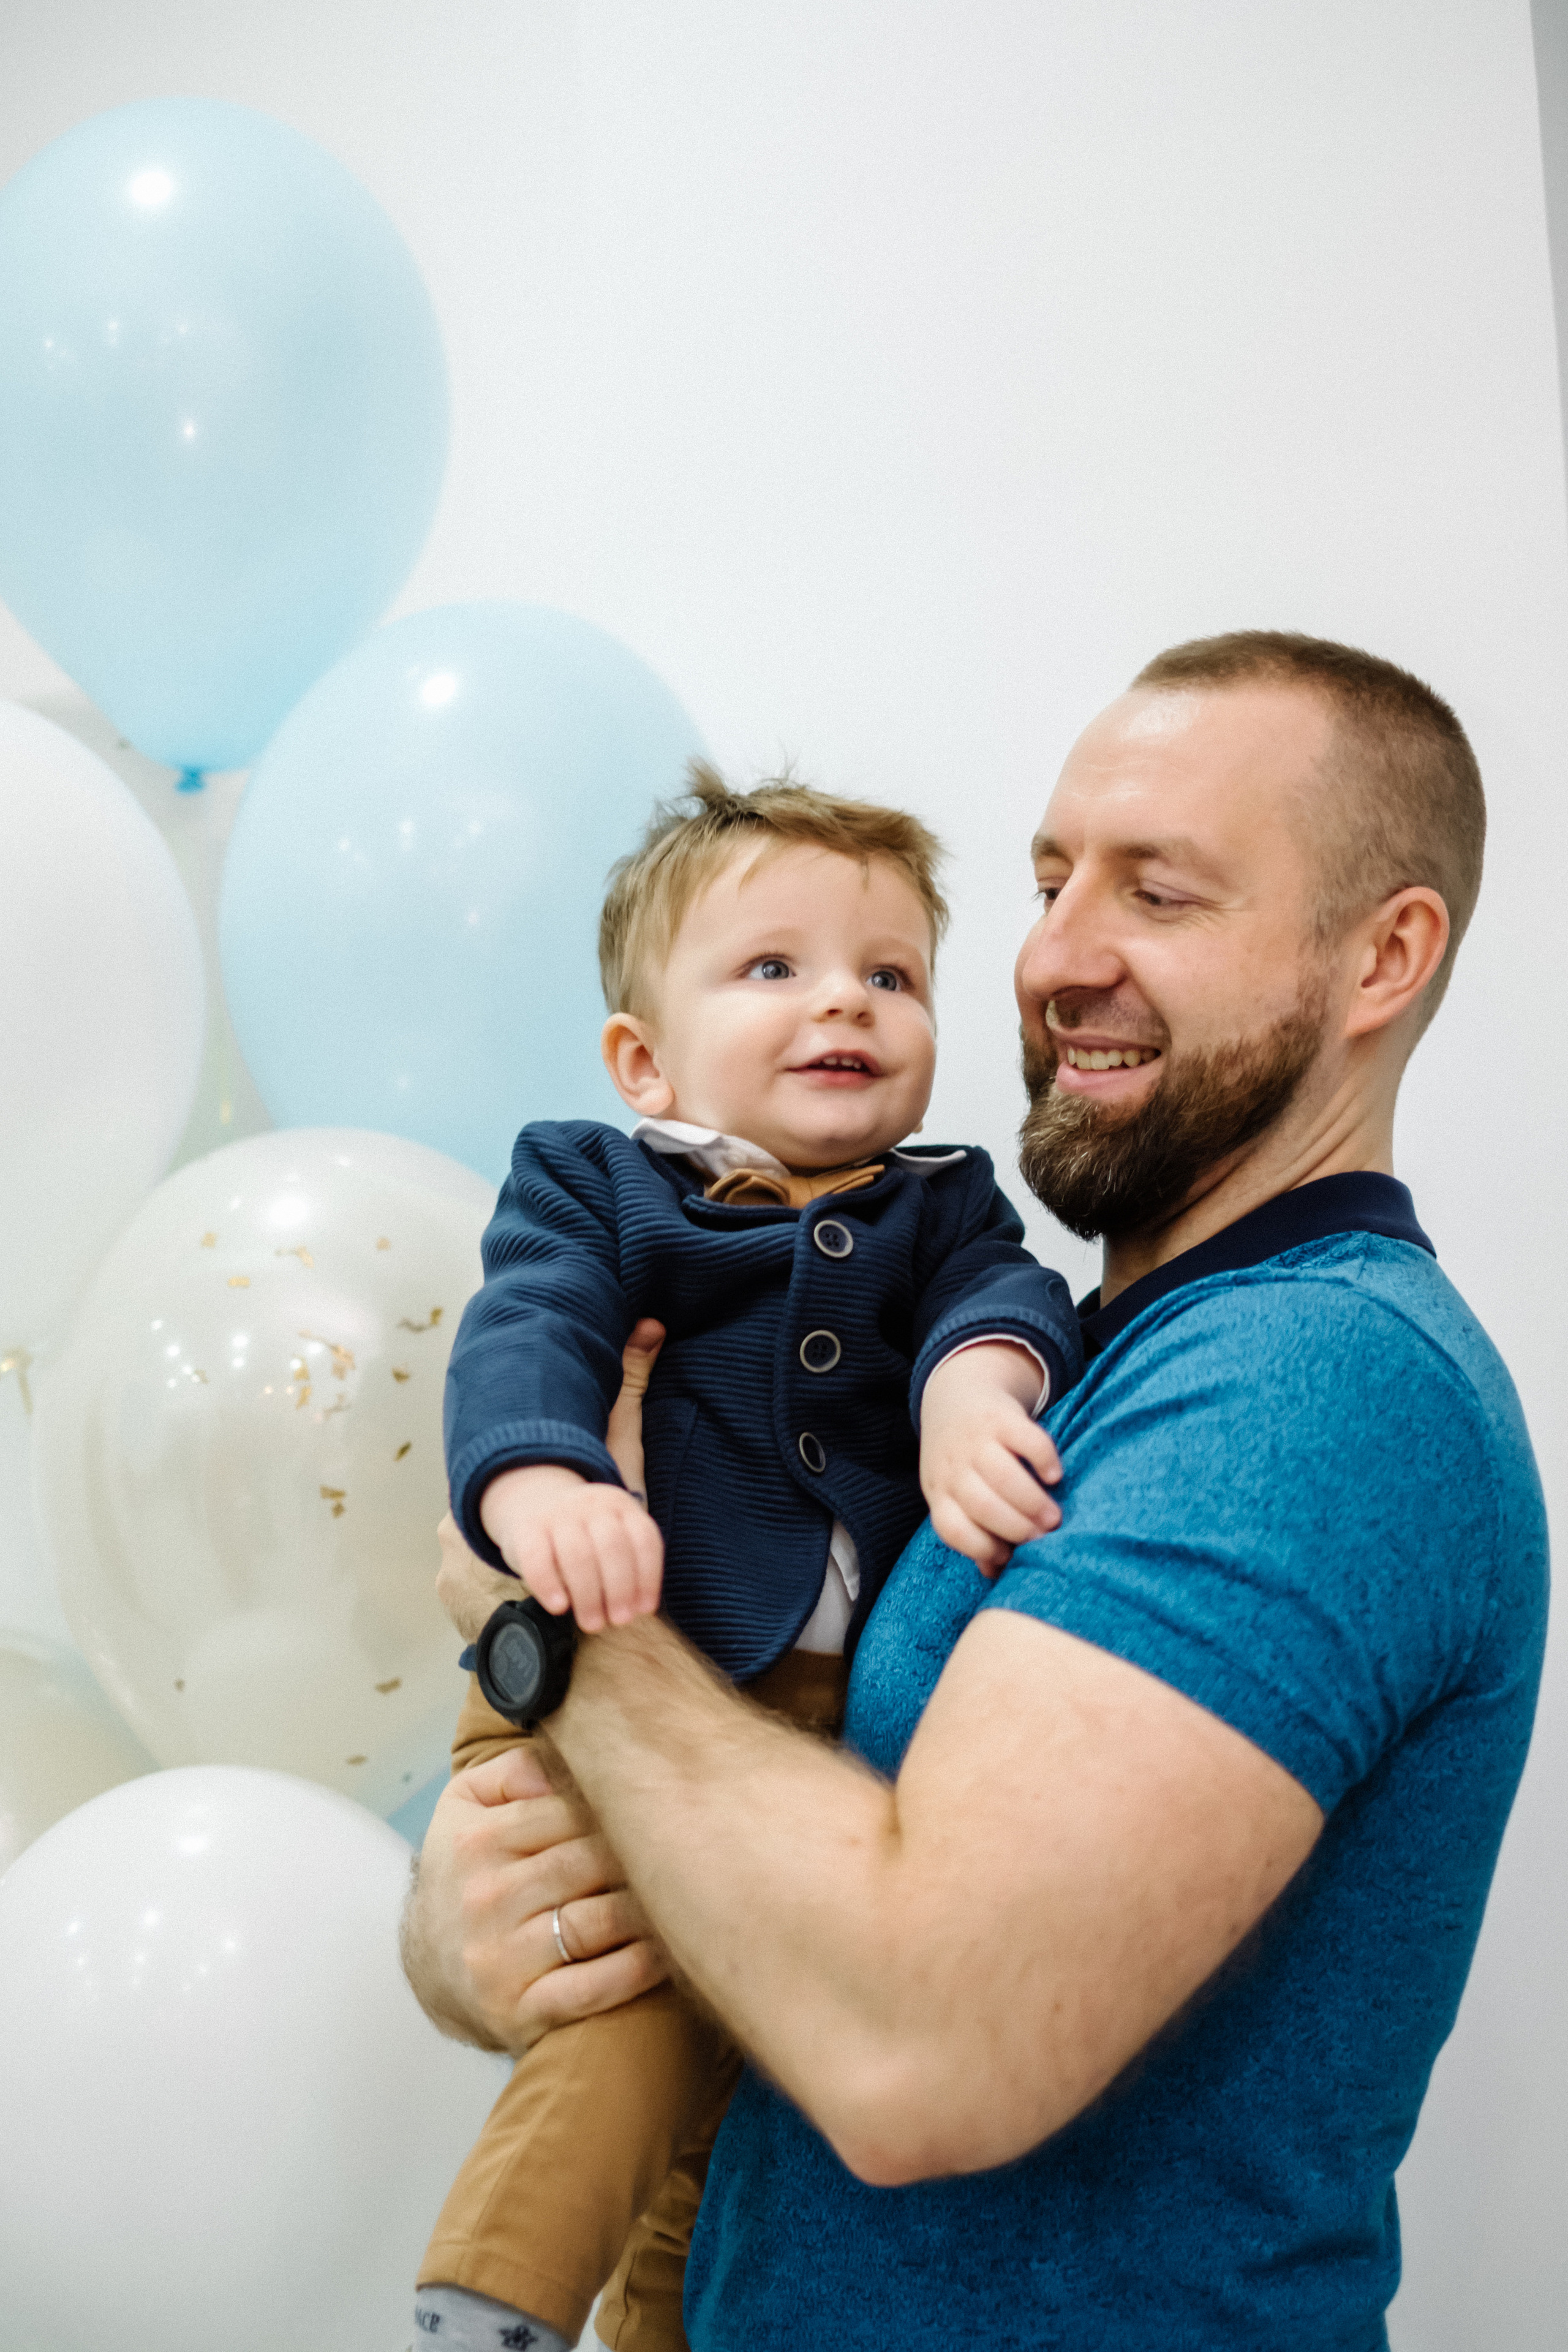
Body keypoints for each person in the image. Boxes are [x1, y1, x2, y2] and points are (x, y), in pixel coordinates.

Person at [404, 632, 1548, 2352]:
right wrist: (483, 1925)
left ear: (1382, 956)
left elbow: (921, 2045)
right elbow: (769, 1880)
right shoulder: (1081, 1362)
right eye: (1048, 880)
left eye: (1158, 895)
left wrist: (556, 1642)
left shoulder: (1313, 1384)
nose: (1056, 958)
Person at [416, 769, 1083, 2351]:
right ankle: (491, 2294)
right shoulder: (602, 1185)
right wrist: (539, 1480)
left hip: (794, 1729)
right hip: (604, 1643)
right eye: (772, 968)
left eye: (891, 973)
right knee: (634, 2014)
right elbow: (526, 1334)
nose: (842, 1000)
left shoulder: (944, 1208)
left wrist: (972, 1388)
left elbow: (1014, 1303)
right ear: (647, 1059)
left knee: (732, 2140)